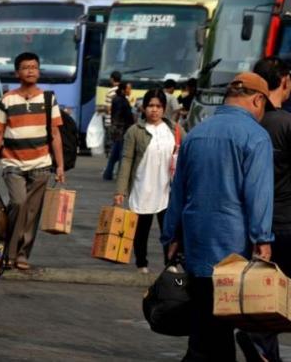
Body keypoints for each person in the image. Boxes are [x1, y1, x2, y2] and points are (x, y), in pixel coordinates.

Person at [162, 72, 274, 361]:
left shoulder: (196, 133)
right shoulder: (256, 136)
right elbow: (258, 194)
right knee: (221, 326)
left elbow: (178, 190)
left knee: (205, 321)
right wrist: (262, 239)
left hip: (197, 244)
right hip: (234, 250)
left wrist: (171, 234)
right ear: (258, 99)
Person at [0, 52, 65, 271]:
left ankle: (21, 254)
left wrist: (60, 165)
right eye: (26, 67)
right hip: (13, 164)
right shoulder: (8, 99)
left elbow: (56, 134)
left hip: (41, 164)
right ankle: (8, 251)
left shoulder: (48, 99)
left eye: (34, 67)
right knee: (18, 204)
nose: (30, 70)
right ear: (17, 72)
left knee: (32, 212)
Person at [235, 57, 291, 362]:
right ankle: (260, 342)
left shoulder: (247, 125)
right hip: (286, 222)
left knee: (265, 291)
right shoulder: (286, 124)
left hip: (253, 223)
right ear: (283, 80)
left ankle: (262, 344)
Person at [114, 89, 185, 274]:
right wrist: (120, 190)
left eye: (158, 106)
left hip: (167, 190)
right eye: (150, 106)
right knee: (141, 231)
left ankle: (170, 263)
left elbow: (187, 154)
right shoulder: (135, 131)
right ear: (144, 108)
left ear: (164, 108)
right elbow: (127, 160)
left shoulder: (175, 130)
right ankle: (141, 264)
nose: (154, 110)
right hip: (142, 188)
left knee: (169, 230)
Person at [103, 82, 134, 181]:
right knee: (122, 154)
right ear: (123, 90)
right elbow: (127, 116)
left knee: (115, 153)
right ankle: (121, 175)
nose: (130, 91)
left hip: (116, 129)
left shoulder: (116, 99)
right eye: (128, 89)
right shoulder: (123, 101)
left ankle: (108, 173)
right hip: (122, 130)